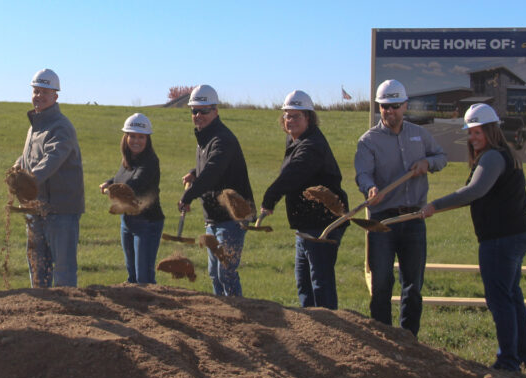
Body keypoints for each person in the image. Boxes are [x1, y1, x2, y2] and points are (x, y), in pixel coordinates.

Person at [422, 103, 526, 371]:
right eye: (470, 133)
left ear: (491, 130)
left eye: (478, 132)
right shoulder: (504, 155)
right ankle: (524, 355)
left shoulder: (493, 158)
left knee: (499, 299)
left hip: (502, 238)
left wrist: (434, 206)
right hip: (518, 233)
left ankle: (508, 361)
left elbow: (474, 191)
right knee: (511, 295)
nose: (473, 138)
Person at [354, 79, 447, 336]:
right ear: (379, 108)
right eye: (384, 106)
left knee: (413, 285)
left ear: (405, 106)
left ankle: (409, 339)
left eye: (395, 106)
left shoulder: (420, 134)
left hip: (414, 218)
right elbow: (363, 174)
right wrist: (370, 189)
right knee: (382, 283)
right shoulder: (368, 141)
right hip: (382, 222)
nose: (389, 111)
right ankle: (383, 339)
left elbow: (441, 157)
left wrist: (427, 163)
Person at [260, 90, 348, 309]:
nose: (290, 121)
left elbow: (294, 173)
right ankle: (311, 331)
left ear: (308, 117)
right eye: (287, 116)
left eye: (296, 116)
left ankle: (329, 330)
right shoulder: (296, 140)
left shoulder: (312, 145)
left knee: (320, 283)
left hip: (323, 224)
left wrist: (270, 198)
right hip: (306, 225)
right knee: (304, 283)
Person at [179, 84, 254, 297]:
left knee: (226, 272)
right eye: (194, 111)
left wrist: (189, 194)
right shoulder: (205, 138)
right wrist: (195, 172)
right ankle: (222, 316)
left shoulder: (222, 139)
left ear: (216, 111)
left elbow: (213, 171)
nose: (198, 115)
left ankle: (239, 315)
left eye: (204, 110)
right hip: (214, 218)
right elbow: (211, 166)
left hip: (232, 218)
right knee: (215, 273)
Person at [14, 68, 84, 288]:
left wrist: (28, 181)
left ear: (55, 96)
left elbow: (52, 159)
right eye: (36, 91)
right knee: (37, 266)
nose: (39, 96)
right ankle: (42, 316)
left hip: (60, 210)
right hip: (36, 208)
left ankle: (68, 318)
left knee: (63, 270)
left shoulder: (61, 127)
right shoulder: (35, 126)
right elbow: (30, 158)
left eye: (45, 92)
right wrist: (17, 168)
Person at [99, 113, 164, 284]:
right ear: (126, 137)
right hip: (128, 222)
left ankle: (153, 308)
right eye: (132, 136)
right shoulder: (128, 159)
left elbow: (136, 183)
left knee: (144, 278)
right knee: (133, 275)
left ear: (147, 139)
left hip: (147, 224)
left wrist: (114, 191)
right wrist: (109, 182)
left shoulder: (150, 161)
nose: (136, 141)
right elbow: (121, 178)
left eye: (141, 137)